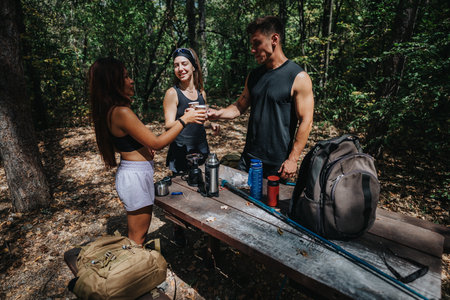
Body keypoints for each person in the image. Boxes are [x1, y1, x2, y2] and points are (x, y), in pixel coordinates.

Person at [89, 57, 205, 245]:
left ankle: (135, 267)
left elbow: (136, 141)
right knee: (138, 238)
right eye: (125, 77)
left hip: (134, 173)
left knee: (137, 235)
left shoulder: (112, 110)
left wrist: (144, 147)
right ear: (113, 82)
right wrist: (185, 120)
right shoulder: (121, 112)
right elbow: (158, 143)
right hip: (134, 178)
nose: (131, 80)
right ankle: (135, 272)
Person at [208, 16, 314, 180]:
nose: (253, 50)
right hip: (248, 159)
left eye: (257, 43)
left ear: (274, 39)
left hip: (277, 165)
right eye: (252, 45)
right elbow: (240, 106)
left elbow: (306, 120)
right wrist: (217, 113)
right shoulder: (254, 75)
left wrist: (293, 159)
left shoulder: (298, 77)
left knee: (270, 206)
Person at [163, 47, 219, 176]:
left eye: (184, 64)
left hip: (201, 148)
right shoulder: (172, 93)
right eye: (176, 65)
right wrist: (185, 118)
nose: (180, 69)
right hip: (181, 150)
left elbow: (200, 121)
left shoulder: (201, 92)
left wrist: (210, 125)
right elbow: (168, 125)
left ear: (193, 67)